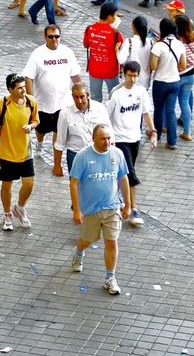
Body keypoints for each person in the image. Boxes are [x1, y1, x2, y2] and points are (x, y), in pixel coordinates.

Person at [69, 124, 131, 295]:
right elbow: (74, 183)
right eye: (103, 138)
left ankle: (110, 278)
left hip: (112, 207)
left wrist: (128, 204)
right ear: (93, 139)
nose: (107, 142)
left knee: (111, 241)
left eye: (109, 138)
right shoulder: (82, 157)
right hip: (91, 209)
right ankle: (79, 252)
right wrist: (77, 210)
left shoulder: (117, 154)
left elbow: (123, 178)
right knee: (87, 240)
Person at [107, 61, 157, 227]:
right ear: (123, 74)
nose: (133, 79)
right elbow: (107, 117)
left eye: (136, 75)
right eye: (130, 75)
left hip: (135, 138)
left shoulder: (141, 92)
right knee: (130, 175)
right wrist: (110, 140)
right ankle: (133, 208)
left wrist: (153, 132)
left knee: (122, 174)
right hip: (119, 140)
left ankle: (118, 200)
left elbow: (146, 113)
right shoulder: (116, 93)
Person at [23, 24, 81, 159]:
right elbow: (29, 77)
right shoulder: (37, 54)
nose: (54, 39)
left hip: (62, 102)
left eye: (57, 36)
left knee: (58, 130)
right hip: (43, 104)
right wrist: (31, 100)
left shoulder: (67, 52)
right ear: (45, 37)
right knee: (41, 130)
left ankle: (57, 158)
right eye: (51, 37)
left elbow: (75, 75)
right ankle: (39, 142)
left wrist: (81, 91)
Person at [0, 73, 39, 230]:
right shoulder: (0, 104)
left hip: (25, 151)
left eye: (24, 86)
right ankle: (7, 215)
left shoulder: (31, 102)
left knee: (29, 183)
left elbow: (36, 120)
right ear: (10, 89)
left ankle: (19, 208)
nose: (23, 90)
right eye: (19, 88)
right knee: (7, 185)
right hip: (6, 153)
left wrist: (30, 127)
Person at [53, 82, 111, 177]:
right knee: (76, 186)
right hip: (75, 155)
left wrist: (112, 157)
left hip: (98, 153)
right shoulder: (65, 114)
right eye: (76, 97)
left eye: (82, 96)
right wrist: (57, 165)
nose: (79, 101)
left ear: (88, 95)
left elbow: (110, 134)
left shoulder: (100, 109)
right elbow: (60, 142)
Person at [150, 17, 186, 149]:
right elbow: (183, 64)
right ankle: (172, 141)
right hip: (175, 81)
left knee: (158, 110)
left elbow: (153, 66)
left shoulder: (158, 46)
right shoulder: (180, 44)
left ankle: (157, 135)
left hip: (160, 82)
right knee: (171, 112)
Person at [83, 2, 123, 102]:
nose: (116, 16)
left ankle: (97, 117)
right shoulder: (115, 33)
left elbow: (85, 45)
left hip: (94, 70)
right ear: (109, 17)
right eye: (115, 14)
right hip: (111, 71)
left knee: (95, 99)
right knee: (114, 98)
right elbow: (121, 52)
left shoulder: (89, 29)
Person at [175, 15, 194, 142]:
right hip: (191, 73)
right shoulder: (193, 37)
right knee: (185, 103)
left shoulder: (178, 41)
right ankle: (187, 132)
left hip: (179, 75)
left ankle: (168, 129)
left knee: (171, 104)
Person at [116, 15, 153, 89]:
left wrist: (116, 49)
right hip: (145, 81)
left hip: (130, 81)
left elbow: (121, 60)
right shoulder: (151, 42)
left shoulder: (129, 42)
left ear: (133, 26)